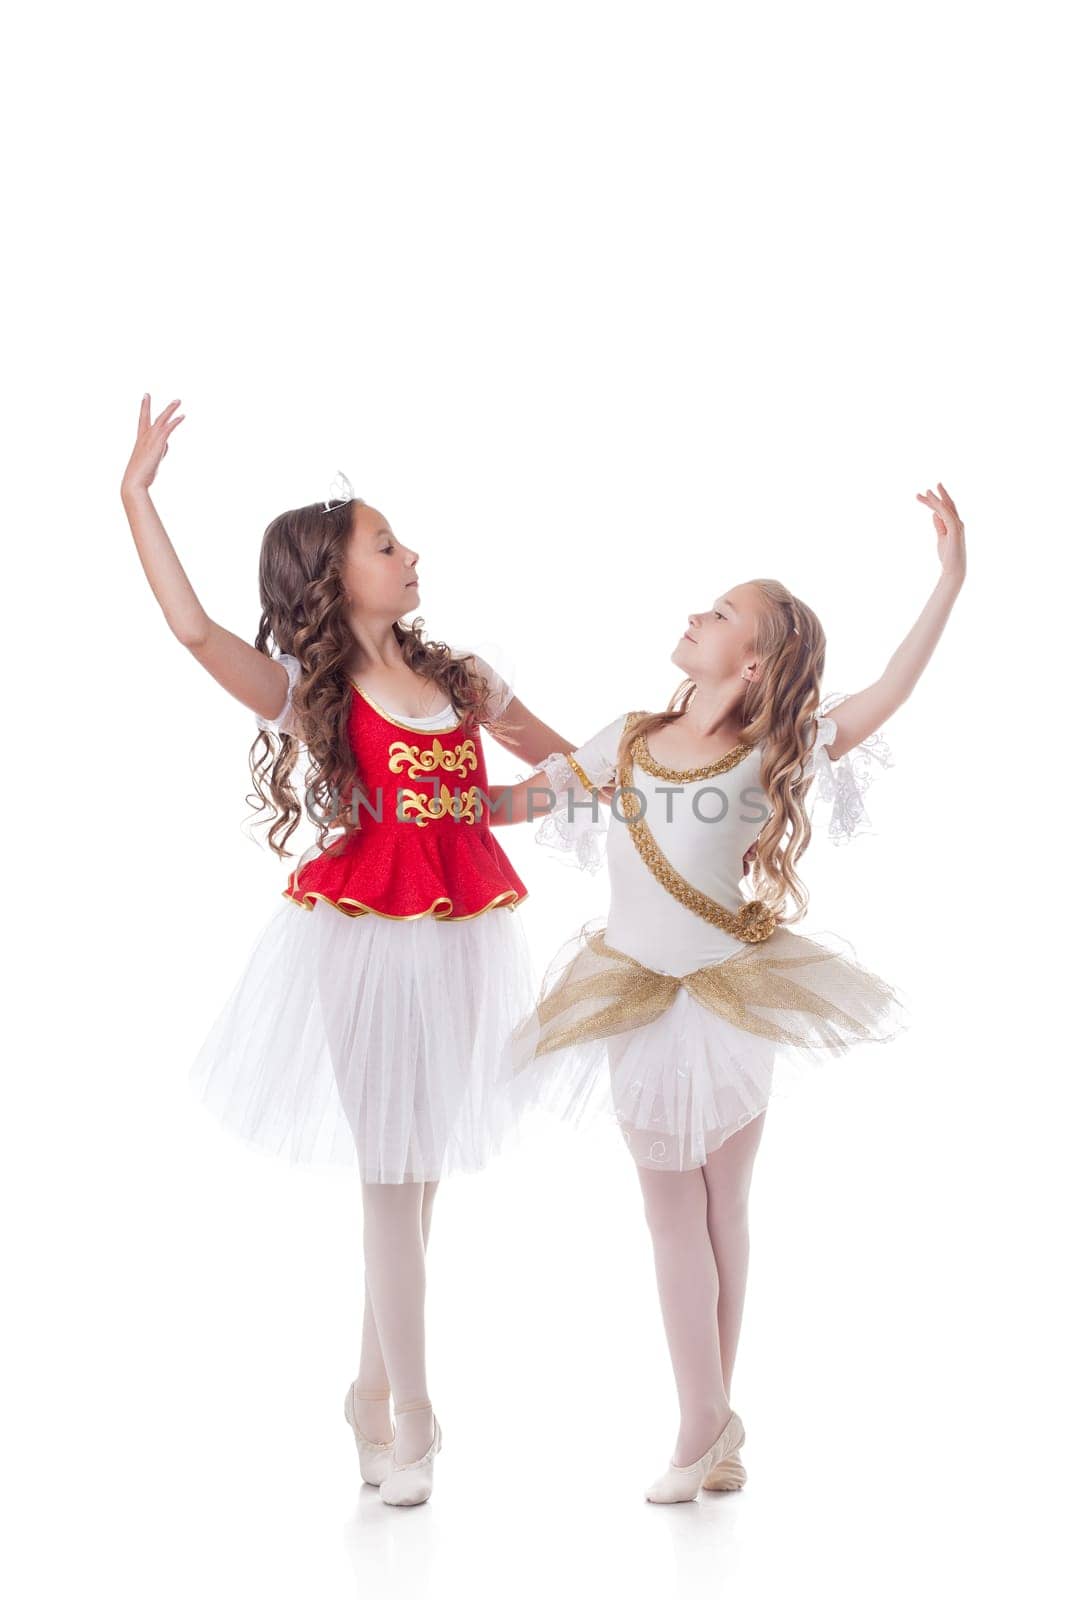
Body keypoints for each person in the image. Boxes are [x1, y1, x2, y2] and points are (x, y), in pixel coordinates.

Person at [119, 395, 582, 1507]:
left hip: (464, 932)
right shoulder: (311, 694)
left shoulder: (460, 678)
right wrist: (136, 495)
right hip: (362, 941)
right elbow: (193, 632)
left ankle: (369, 1393)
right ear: (335, 576)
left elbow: (516, 784)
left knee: (420, 1180)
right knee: (389, 1171)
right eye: (386, 542)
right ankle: (416, 1414)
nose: (410, 552)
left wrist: (604, 778)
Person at [485, 483, 966, 1501]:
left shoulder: (768, 749)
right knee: (669, 1213)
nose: (694, 616)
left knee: (721, 1210)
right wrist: (415, 790)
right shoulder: (620, 739)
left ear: (750, 663)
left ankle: (707, 1427)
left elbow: (884, 692)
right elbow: (515, 802)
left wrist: (948, 581)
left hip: (728, 995)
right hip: (632, 994)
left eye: (718, 613)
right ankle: (704, 1424)